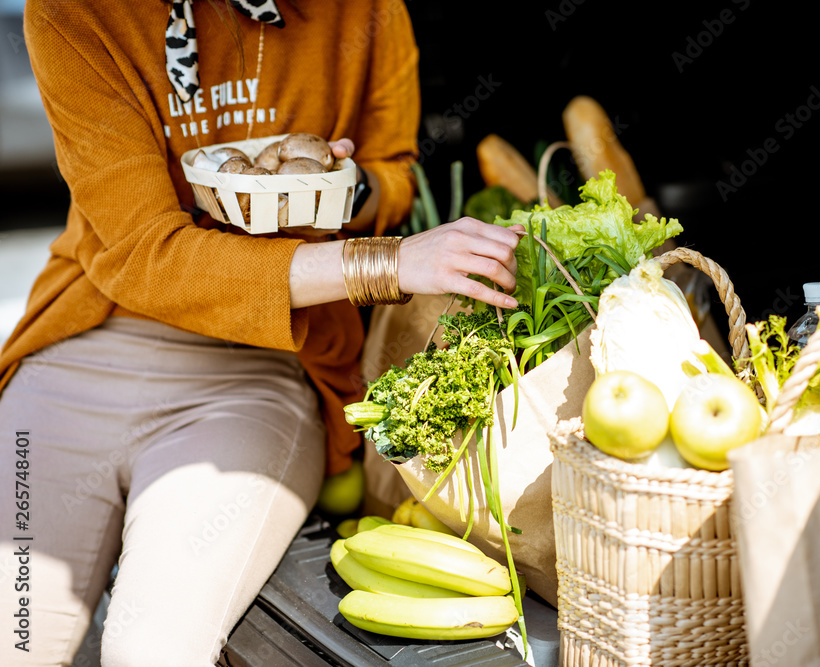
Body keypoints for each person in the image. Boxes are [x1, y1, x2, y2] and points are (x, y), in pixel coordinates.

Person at [0, 1, 520, 664]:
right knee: (13, 634)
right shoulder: (74, 11)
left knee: (154, 647)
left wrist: (347, 187)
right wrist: (384, 263)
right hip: (86, 354)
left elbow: (394, 173)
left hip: (260, 368)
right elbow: (145, 253)